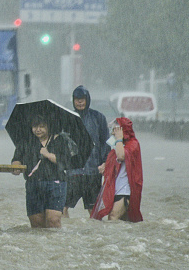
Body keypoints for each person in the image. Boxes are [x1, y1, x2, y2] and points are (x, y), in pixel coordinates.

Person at [11, 114, 68, 228]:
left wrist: (48, 154)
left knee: (53, 220)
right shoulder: (26, 141)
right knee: (36, 223)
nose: (38, 130)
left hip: (56, 183)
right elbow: (16, 159)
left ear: (48, 127)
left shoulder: (59, 140)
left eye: (41, 126)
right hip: (33, 184)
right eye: (35, 127)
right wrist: (15, 167)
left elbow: (65, 161)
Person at [63, 85, 112, 217]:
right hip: (73, 172)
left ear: (88, 99)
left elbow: (107, 142)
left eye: (82, 99)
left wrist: (105, 163)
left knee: (94, 211)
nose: (79, 102)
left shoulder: (98, 117)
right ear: (73, 100)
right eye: (77, 99)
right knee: (62, 207)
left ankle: (96, 235)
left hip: (93, 172)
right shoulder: (67, 118)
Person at [91, 117, 143, 222]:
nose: (113, 133)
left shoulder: (133, 144)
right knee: (124, 221)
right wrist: (105, 166)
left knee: (113, 216)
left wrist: (119, 139)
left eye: (115, 130)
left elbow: (121, 156)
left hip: (125, 190)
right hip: (114, 189)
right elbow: (115, 161)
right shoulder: (117, 144)